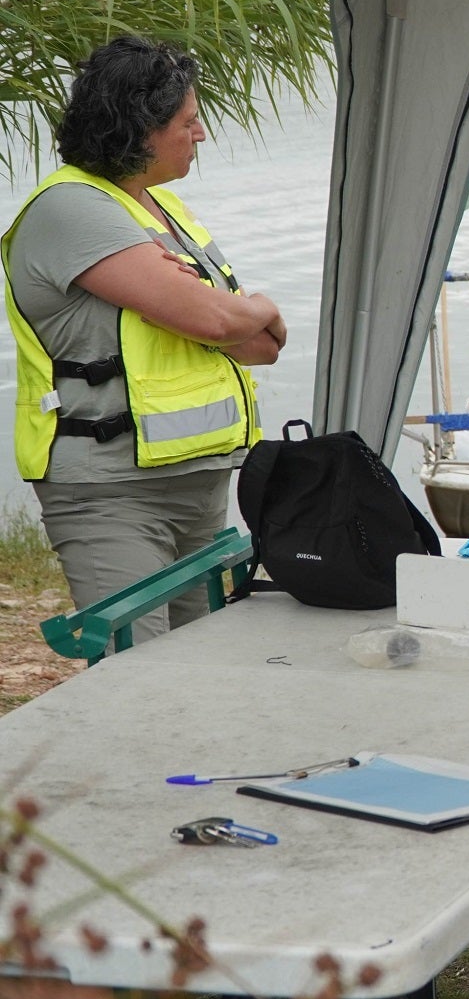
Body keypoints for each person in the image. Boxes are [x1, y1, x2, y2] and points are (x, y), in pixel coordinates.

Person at [2, 36, 286, 643]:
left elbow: (260, 346)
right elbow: (218, 321)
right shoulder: (69, 211)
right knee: (139, 673)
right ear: (141, 129)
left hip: (197, 482)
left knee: (203, 667)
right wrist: (256, 306)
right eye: (189, 121)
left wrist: (233, 317)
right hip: (114, 493)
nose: (201, 134)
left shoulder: (161, 210)